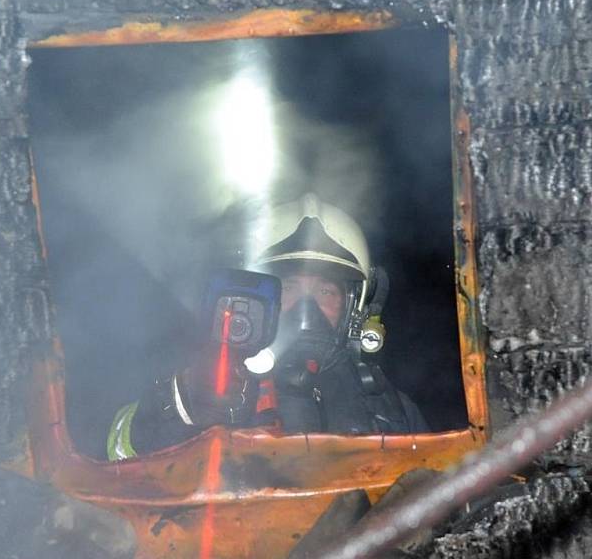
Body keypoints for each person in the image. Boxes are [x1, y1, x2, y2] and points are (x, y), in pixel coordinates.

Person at [107, 193, 428, 461]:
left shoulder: (391, 411)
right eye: (288, 288)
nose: (306, 309)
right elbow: (117, 461)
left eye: (325, 291)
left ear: (356, 306)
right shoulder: (218, 386)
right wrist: (178, 407)